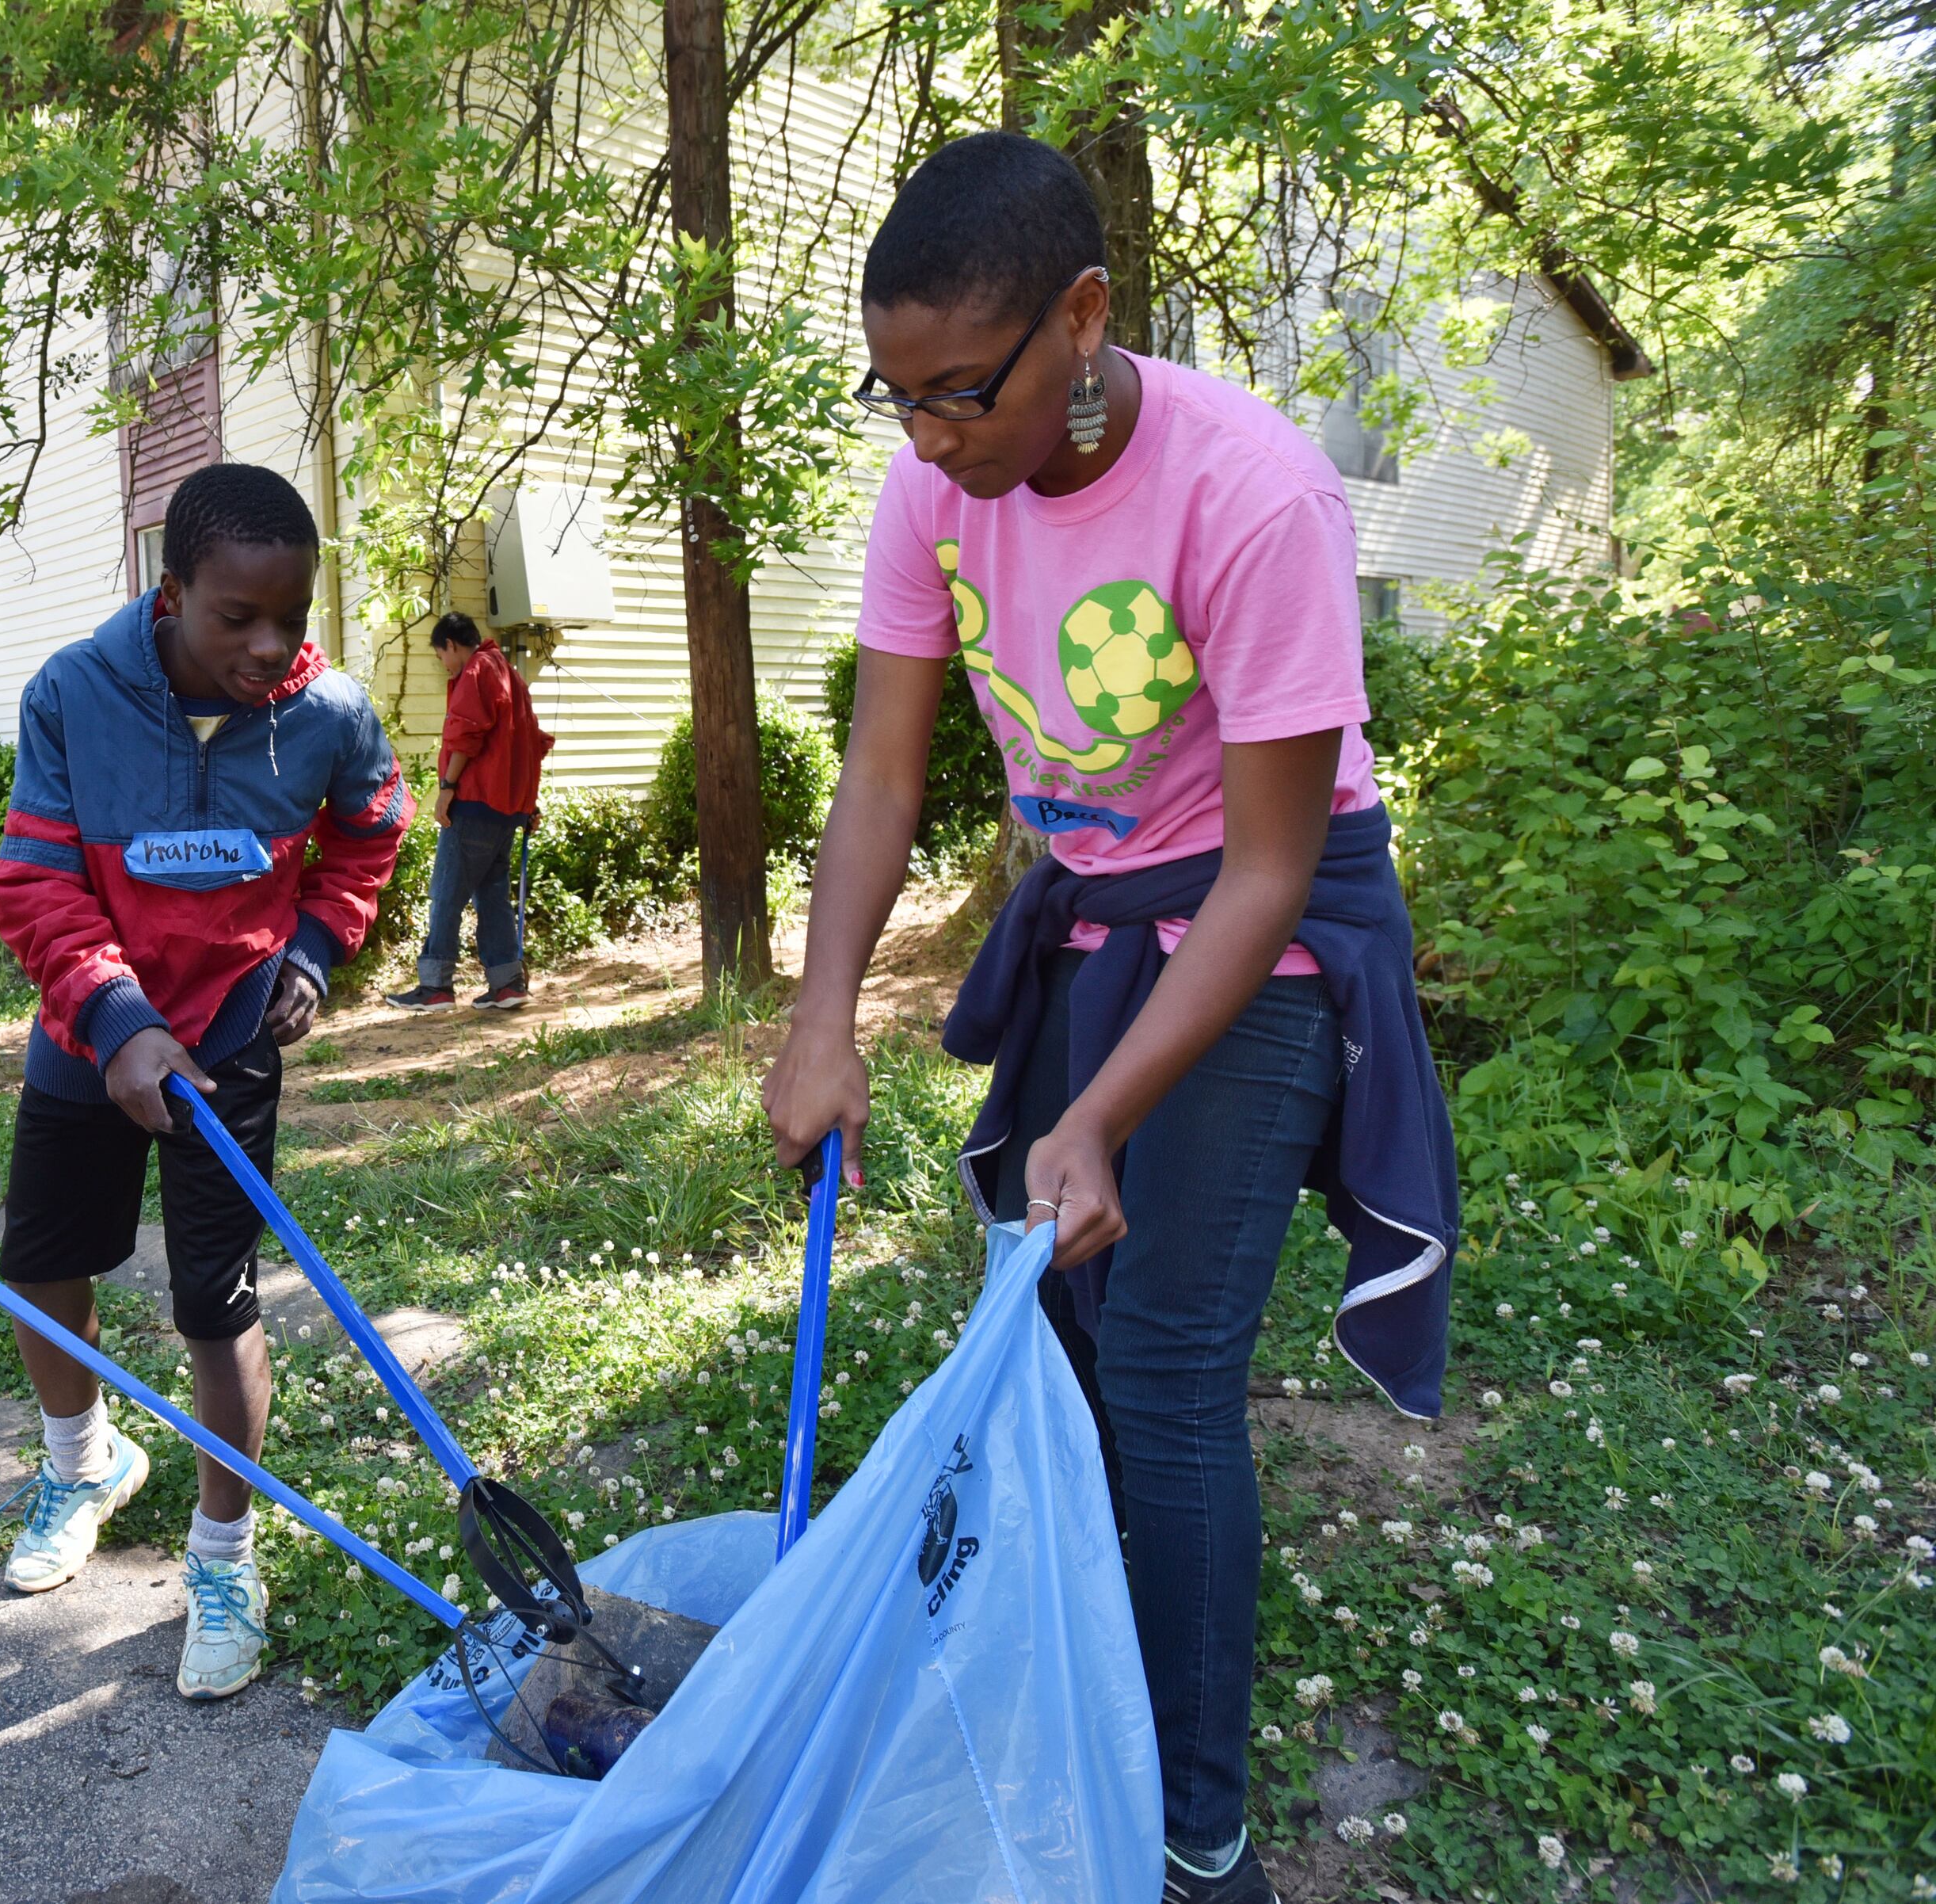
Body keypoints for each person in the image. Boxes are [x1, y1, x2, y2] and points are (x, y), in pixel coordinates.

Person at [760, 133, 1457, 1904]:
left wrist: (1101, 1114)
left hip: (1262, 923)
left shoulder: (1255, 494)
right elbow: (884, 766)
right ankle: (1070, 1696)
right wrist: (821, 1014)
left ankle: (1192, 1823)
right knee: (1055, 1337)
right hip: (1093, 912)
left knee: (1160, 1361)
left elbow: (1274, 869)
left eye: (961, 395)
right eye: (896, 395)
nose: (928, 439)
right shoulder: (933, 487)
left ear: (1083, 320)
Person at [0, 462, 406, 1700]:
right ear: (169, 593)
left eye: (293, 614)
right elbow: (38, 880)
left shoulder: (328, 710)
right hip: (87, 1034)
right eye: (239, 617)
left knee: (217, 1306)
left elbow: (369, 834)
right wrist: (113, 1019)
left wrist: (320, 950)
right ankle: (82, 1461)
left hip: (227, 1046)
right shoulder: (70, 691)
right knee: (43, 1265)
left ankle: (225, 1552)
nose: (271, 645)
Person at [385, 611, 552, 1012]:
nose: (443, 663)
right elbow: (530, 743)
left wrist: (447, 789)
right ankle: (508, 983)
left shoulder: (476, 672)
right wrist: (528, 804)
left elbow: (465, 734)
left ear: (452, 645)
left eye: (441, 654)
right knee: (491, 893)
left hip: (475, 804)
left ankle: (436, 987)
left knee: (446, 892)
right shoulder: (510, 674)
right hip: (506, 809)